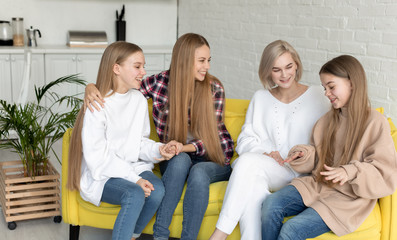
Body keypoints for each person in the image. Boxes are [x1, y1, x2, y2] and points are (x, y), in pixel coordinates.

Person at [84, 33, 234, 240]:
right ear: (184, 60)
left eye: (208, 60)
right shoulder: (159, 83)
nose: (206, 66)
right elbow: (121, 91)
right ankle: (160, 235)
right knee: (179, 160)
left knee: (198, 172)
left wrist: (183, 147)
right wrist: (91, 87)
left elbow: (215, 141)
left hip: (212, 155)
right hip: (176, 154)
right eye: (201, 60)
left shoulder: (213, 88)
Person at [261, 55, 397, 240]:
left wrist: (350, 171)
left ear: (352, 83)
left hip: (347, 199)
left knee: (291, 230)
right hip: (317, 185)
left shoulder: (375, 122)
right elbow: (316, 157)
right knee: (270, 205)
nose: (326, 93)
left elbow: (385, 171)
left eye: (331, 86)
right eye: (325, 88)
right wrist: (303, 154)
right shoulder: (326, 121)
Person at [209, 40, 330, 240]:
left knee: (247, 164)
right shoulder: (260, 97)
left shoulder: (318, 95)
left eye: (288, 67)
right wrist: (265, 153)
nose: (284, 74)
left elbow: (329, 139)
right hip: (268, 167)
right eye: (276, 69)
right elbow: (245, 140)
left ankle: (219, 234)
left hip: (299, 172)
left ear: (297, 65)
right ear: (268, 71)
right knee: (253, 183)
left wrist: (305, 153)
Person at [67, 41, 176, 240]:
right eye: (137, 66)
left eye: (143, 66)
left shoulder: (139, 101)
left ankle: (131, 235)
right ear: (116, 68)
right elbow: (98, 158)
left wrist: (159, 149)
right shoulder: (98, 105)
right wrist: (135, 179)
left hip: (131, 168)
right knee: (134, 194)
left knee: (158, 191)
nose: (143, 72)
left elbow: (139, 143)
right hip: (103, 174)